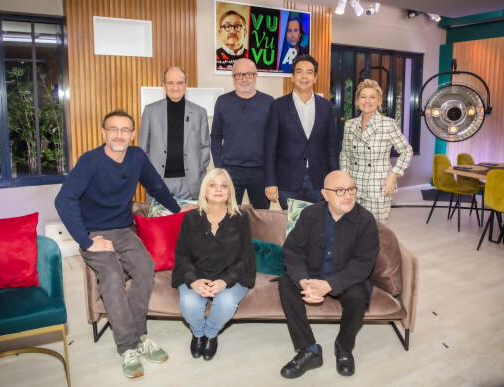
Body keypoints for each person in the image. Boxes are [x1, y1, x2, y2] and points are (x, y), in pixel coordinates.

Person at [55, 110, 195, 379]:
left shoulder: (136, 157)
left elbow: (156, 187)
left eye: (124, 130)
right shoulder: (90, 161)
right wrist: (86, 240)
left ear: (132, 134)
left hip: (123, 228)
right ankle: (127, 347)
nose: (119, 135)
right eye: (113, 129)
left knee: (145, 269)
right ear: (104, 132)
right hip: (95, 233)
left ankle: (139, 334)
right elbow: (64, 200)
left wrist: (178, 212)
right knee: (111, 277)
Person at [278, 170, 379, 379]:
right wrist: (303, 280)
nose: (348, 196)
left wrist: (330, 284)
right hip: (312, 274)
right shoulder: (310, 214)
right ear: (325, 194)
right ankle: (309, 350)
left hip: (346, 278)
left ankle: (344, 346)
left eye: (351, 189)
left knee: (359, 295)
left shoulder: (366, 220)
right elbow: (292, 250)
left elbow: (363, 263)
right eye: (340, 191)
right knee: (286, 283)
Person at [172, 168, 256, 361]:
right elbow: (182, 255)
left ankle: (210, 334)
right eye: (213, 185)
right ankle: (198, 333)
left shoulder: (241, 218)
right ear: (205, 190)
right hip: (197, 273)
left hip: (231, 276)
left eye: (223, 186)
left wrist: (224, 281)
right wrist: (193, 281)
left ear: (229, 192)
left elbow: (246, 258)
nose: (218, 189)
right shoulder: (190, 218)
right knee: (189, 303)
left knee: (226, 302)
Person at [264, 54, 339, 210]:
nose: (304, 76)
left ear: (315, 78)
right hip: (288, 180)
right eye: (299, 71)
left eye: (309, 72)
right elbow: (270, 148)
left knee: (318, 227)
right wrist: (270, 182)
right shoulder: (278, 106)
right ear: (292, 76)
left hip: (319, 181)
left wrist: (335, 180)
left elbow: (331, 146)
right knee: (292, 228)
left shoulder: (326, 106)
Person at [340, 79, 413, 223]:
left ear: (379, 101)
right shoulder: (350, 125)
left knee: (375, 230)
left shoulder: (388, 124)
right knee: (352, 228)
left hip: (379, 186)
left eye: (372, 97)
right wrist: (344, 180)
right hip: (353, 186)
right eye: (363, 96)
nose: (367, 101)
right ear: (357, 100)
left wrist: (393, 177)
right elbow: (345, 154)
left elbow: (407, 151)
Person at [139, 66, 210, 200]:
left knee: (188, 221)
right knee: (160, 221)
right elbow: (143, 149)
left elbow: (205, 147)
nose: (175, 87)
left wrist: (198, 169)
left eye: (179, 83)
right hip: (158, 182)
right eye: (170, 83)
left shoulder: (200, 113)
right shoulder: (150, 111)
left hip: (190, 184)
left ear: (186, 85)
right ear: (164, 85)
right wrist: (149, 174)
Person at [211, 58, 274, 209]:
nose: (244, 79)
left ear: (256, 76)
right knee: (227, 216)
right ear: (233, 77)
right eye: (239, 75)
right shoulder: (222, 102)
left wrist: (272, 173)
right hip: (230, 170)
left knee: (261, 217)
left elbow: (274, 141)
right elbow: (216, 137)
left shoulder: (269, 102)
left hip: (260, 171)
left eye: (248, 74)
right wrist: (219, 169)